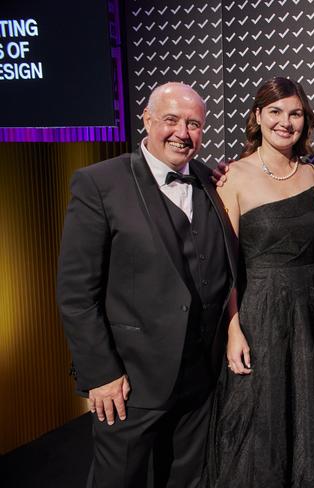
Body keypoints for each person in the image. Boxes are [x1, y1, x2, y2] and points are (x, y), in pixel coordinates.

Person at [201, 77, 314, 487]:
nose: (285, 122)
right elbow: (226, 267)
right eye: (275, 112)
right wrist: (234, 330)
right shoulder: (233, 177)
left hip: (312, 314)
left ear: (306, 121)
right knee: (261, 423)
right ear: (257, 117)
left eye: (295, 114)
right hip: (259, 315)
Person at [56, 82, 237, 488]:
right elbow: (76, 293)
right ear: (147, 120)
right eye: (171, 120)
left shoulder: (212, 181)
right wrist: (100, 373)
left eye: (194, 124)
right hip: (129, 381)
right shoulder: (99, 183)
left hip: (200, 377)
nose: (182, 132)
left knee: (187, 478)